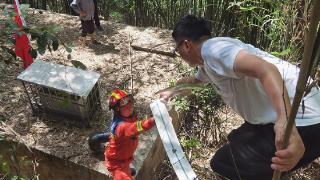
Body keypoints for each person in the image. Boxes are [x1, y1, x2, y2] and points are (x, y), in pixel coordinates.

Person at [160, 15, 320, 180]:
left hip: (304, 119)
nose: (178, 53)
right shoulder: (208, 61)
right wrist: (172, 90)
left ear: (186, 45)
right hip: (295, 114)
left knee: (224, 163)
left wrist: (286, 123)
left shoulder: (214, 51)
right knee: (235, 139)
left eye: (177, 49)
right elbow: (195, 82)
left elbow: (267, 70)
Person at [104, 89, 155, 180]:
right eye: (124, 104)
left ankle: (127, 168)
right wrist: (153, 121)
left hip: (125, 159)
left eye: (129, 100)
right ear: (117, 109)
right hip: (117, 165)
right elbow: (137, 127)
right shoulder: (121, 127)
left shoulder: (129, 117)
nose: (130, 105)